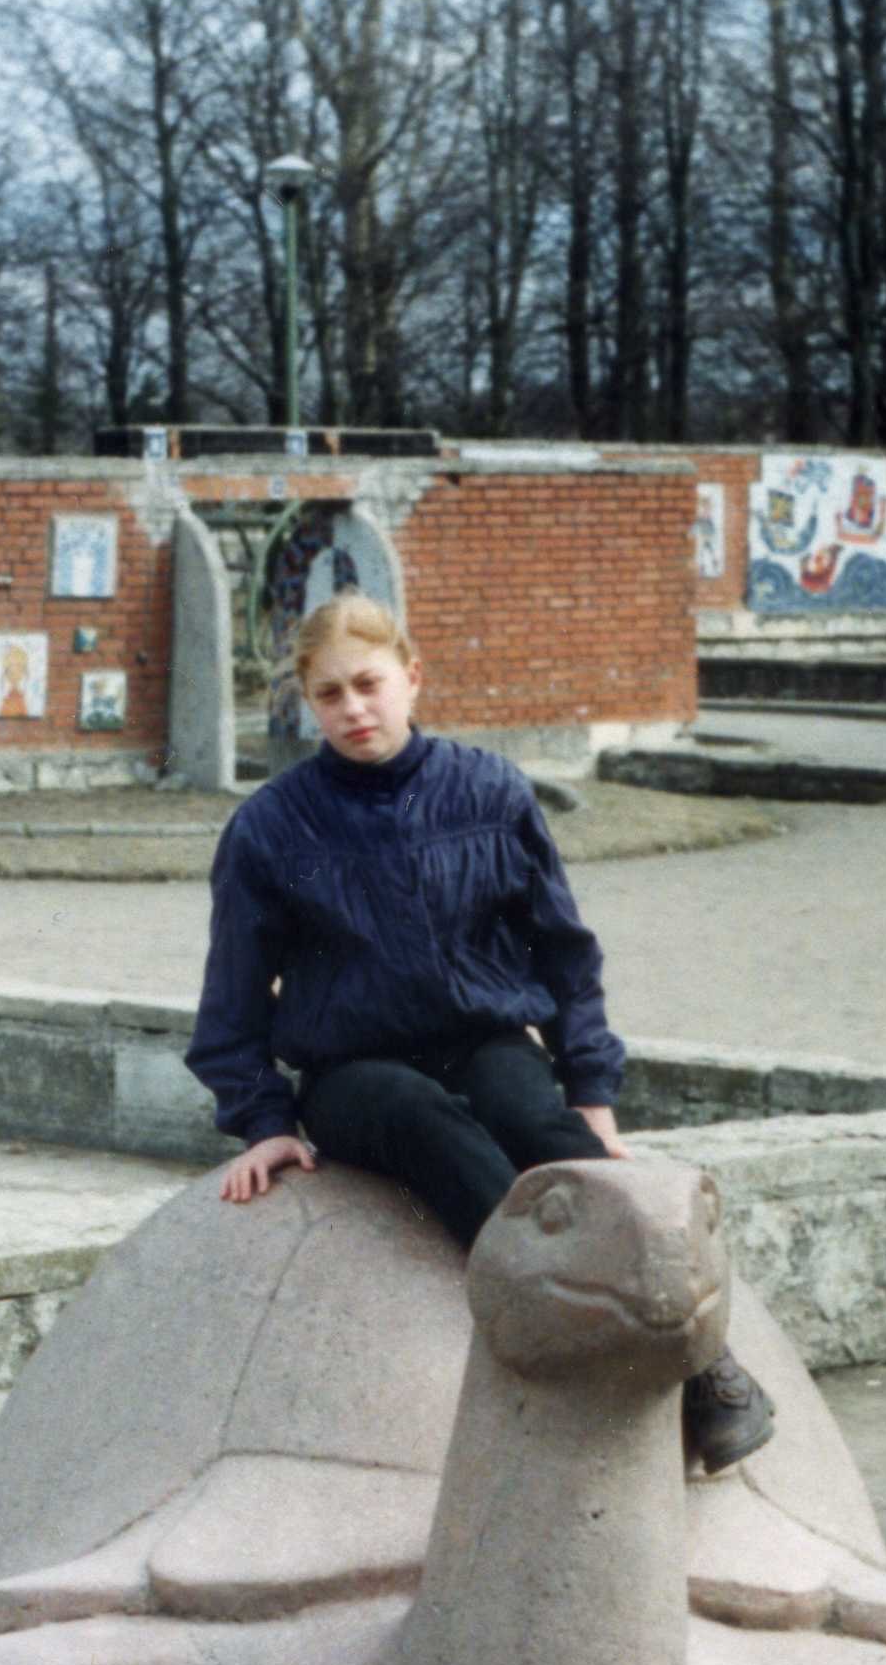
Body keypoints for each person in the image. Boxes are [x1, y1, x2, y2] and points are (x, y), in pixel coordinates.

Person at [184, 592, 777, 1472]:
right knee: (425, 1119)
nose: (353, 709)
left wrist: (590, 1092)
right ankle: (560, 1326)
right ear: (306, 702)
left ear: (411, 677)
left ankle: (702, 1369)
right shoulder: (270, 829)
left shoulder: (490, 792)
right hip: (356, 1072)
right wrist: (264, 1121)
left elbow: (563, 954)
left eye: (369, 684)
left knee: (537, 1127)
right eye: (328, 694)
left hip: (483, 1038)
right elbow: (231, 999)